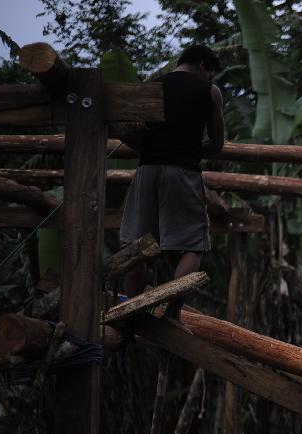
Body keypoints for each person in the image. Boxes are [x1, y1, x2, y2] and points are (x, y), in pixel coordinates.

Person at [119, 44, 225, 329]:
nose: (209, 79)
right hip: (183, 172)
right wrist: (189, 148)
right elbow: (217, 144)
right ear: (202, 65)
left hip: (147, 170)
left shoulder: (154, 85)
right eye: (210, 73)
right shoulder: (209, 92)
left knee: (138, 246)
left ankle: (130, 312)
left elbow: (130, 132)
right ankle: (172, 313)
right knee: (194, 246)